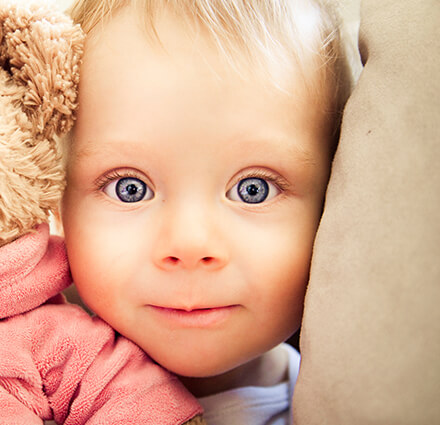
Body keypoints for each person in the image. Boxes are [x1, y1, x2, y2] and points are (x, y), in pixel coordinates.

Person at [59, 0, 354, 423]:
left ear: (333, 201)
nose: (190, 244)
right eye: (130, 188)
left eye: (254, 189)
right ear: (55, 200)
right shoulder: (11, 376)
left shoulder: (356, 402)